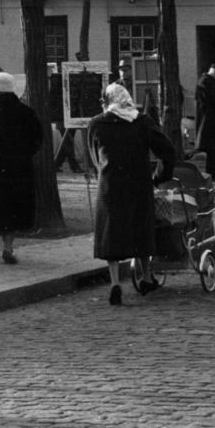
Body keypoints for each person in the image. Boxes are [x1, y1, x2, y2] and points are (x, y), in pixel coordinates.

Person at [88, 83, 175, 306]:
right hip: (139, 183)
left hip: (110, 185)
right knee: (141, 229)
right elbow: (167, 150)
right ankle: (146, 277)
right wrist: (159, 176)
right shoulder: (142, 122)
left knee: (111, 232)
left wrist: (102, 170)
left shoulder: (96, 123)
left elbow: (94, 155)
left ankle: (115, 283)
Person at [0, 72, 41, 265]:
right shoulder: (26, 112)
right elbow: (37, 139)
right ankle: (8, 246)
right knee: (15, 207)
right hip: (20, 167)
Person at [195, 62, 215, 180]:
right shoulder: (206, 83)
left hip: (210, 120)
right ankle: (213, 172)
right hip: (210, 121)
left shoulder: (205, 82)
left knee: (213, 149)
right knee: (212, 148)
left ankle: (214, 171)